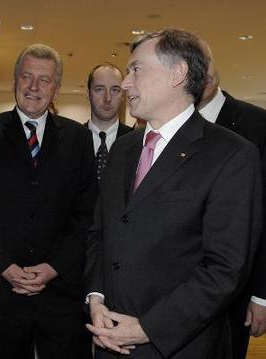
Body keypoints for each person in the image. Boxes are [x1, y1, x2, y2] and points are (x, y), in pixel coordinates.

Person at [85, 29, 263, 359]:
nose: (125, 83)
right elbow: (101, 234)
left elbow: (224, 270)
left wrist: (147, 328)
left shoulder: (232, 155)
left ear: (178, 73)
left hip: (182, 346)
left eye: (136, 69)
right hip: (109, 341)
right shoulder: (123, 150)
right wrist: (95, 298)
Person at [0, 44, 97, 359]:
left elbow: (87, 213)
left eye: (44, 80)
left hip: (62, 294)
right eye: (26, 77)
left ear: (56, 88)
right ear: (15, 81)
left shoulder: (78, 139)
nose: (34, 87)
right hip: (0, 293)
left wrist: (54, 266)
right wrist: (5, 265)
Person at [198, 50, 266, 358]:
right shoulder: (164, 128)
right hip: (171, 295)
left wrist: (262, 295)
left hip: (236, 292)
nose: (204, 71)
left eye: (207, 60)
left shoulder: (258, 125)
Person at [84, 63, 132, 180]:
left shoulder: (136, 142)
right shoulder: (72, 141)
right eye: (99, 89)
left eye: (115, 90)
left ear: (122, 96)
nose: (108, 98)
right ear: (88, 94)